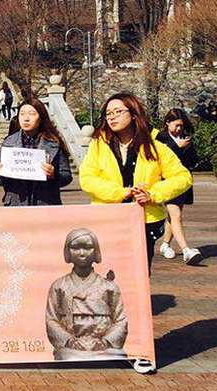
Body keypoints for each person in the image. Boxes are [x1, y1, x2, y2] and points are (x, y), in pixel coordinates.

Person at [80, 92, 192, 275]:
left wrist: (153, 194)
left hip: (143, 221)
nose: (112, 117)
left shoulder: (154, 146)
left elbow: (183, 177)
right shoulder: (99, 145)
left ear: (133, 114)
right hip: (107, 218)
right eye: (108, 113)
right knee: (106, 272)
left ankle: (137, 305)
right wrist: (119, 192)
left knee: (138, 274)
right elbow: (87, 178)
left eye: (117, 111)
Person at [45, 228, 127, 362]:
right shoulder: (59, 286)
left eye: (88, 248)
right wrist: (69, 341)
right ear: (68, 252)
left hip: (104, 345)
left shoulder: (109, 287)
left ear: (96, 251)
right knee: (68, 356)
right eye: (76, 248)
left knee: (114, 356)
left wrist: (105, 341)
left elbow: (120, 320)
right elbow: (51, 319)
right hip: (71, 347)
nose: (82, 253)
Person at [0, 97, 72, 206]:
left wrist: (53, 175)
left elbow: (67, 176)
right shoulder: (9, 142)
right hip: (16, 205)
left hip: (46, 204)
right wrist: (1, 172)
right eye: (22, 114)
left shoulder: (54, 142)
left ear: (41, 117)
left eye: (32, 114)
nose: (26, 118)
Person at [155, 109, 202, 264]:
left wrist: (186, 146)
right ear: (168, 122)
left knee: (173, 216)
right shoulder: (159, 138)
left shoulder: (185, 138)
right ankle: (186, 249)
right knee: (176, 216)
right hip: (166, 181)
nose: (179, 129)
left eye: (181, 125)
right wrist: (177, 147)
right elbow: (157, 158)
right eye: (176, 125)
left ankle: (165, 245)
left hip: (182, 181)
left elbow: (194, 160)